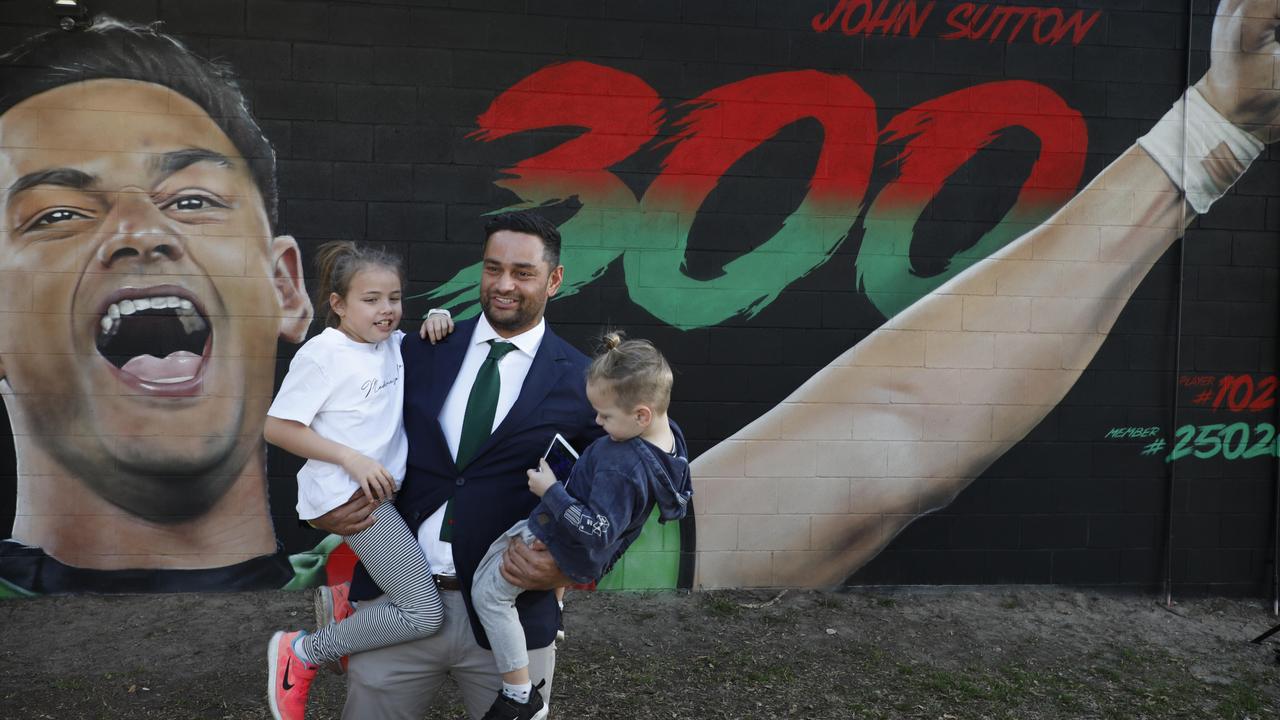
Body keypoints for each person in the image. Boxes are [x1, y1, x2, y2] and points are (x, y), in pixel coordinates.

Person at [690, 0, 1280, 588]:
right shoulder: (613, 520)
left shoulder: (620, 522)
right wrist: (1218, 126)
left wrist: (1220, 125)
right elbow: (891, 437)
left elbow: (889, 439)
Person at [0, 18, 314, 595]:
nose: (141, 231)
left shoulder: (374, 586)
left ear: (284, 289)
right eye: (58, 214)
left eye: (193, 199)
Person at [309, 210, 603, 720]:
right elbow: (332, 420)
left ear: (554, 280)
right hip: (397, 602)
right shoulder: (417, 351)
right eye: (493, 269)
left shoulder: (585, 381)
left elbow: (625, 488)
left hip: (510, 613)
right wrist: (321, 513)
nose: (504, 285)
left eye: (523, 272)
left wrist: (572, 565)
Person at [262, 242, 451, 720]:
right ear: (339, 304)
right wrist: (352, 459)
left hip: (382, 491)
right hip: (351, 497)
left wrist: (438, 315)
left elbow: (422, 342)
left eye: (394, 297)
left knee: (410, 575)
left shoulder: (389, 344)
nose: (386, 310)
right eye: (370, 299)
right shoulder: (324, 354)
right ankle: (302, 651)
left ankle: (348, 603)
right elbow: (278, 427)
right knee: (422, 611)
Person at [471, 333, 692, 720]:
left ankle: (520, 695)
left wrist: (551, 490)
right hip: (572, 538)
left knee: (488, 593)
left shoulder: (621, 463)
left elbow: (598, 531)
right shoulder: (669, 436)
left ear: (641, 414)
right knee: (494, 573)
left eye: (605, 416)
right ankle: (554, 609)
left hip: (556, 537)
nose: (597, 422)